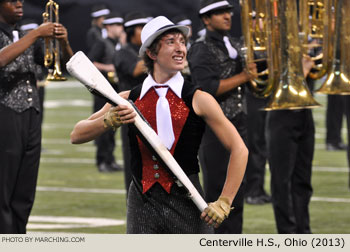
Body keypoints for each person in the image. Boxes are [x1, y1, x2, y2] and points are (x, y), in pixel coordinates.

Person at [71, 16, 248, 234]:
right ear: (152, 53)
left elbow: (240, 149)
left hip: (190, 204)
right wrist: (109, 120)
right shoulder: (127, 99)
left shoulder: (198, 99)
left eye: (182, 42)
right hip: (141, 205)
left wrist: (224, 201)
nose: (181, 48)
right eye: (171, 42)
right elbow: (76, 134)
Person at [0, 0, 73, 233]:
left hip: (32, 115)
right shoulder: (27, 37)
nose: (19, 5)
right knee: (4, 185)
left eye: (21, 1)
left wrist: (63, 42)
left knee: (25, 188)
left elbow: (64, 64)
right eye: (12, 1)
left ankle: (18, 237)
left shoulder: (24, 35)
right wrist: (35, 34)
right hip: (5, 114)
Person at [187, 0, 257, 233]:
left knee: (238, 188)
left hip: (240, 121)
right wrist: (245, 76)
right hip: (213, 128)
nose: (227, 16)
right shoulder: (200, 48)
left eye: (227, 11)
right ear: (206, 20)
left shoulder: (236, 43)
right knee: (217, 188)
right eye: (219, 13)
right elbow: (207, 88)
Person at [113, 11, 148, 191]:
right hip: (131, 114)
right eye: (143, 28)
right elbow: (135, 70)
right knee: (134, 163)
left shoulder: (147, 52)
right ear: (132, 30)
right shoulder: (123, 53)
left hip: (152, 112)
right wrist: (158, 53)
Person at [88, 11, 125, 173]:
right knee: (102, 126)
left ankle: (111, 160)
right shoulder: (102, 43)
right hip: (102, 91)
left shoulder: (119, 44)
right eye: (116, 25)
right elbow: (90, 62)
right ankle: (102, 161)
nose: (120, 28)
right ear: (108, 27)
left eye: (121, 25)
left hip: (115, 90)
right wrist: (108, 68)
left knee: (112, 127)